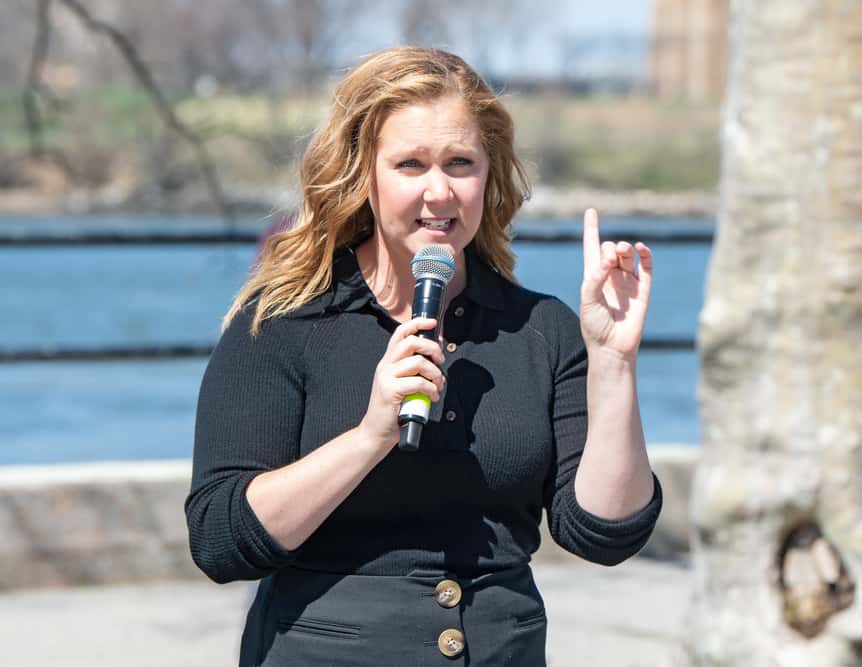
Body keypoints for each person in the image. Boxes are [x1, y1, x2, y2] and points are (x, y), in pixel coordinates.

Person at [185, 46, 662, 666]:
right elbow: (220, 539)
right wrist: (370, 436)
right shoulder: (285, 324)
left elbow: (604, 532)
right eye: (410, 164)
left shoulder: (541, 329)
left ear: (489, 178)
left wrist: (613, 362)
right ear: (364, 174)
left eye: (460, 163)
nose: (439, 190)